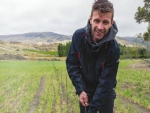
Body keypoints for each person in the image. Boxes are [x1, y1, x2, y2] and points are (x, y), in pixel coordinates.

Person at [66, 0, 120, 112]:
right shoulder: (78, 37)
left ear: (111, 23)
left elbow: (106, 83)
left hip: (106, 92)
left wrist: (93, 110)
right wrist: (80, 89)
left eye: (105, 22)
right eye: (97, 21)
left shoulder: (113, 48)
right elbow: (72, 64)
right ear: (90, 19)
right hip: (86, 91)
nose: (100, 27)